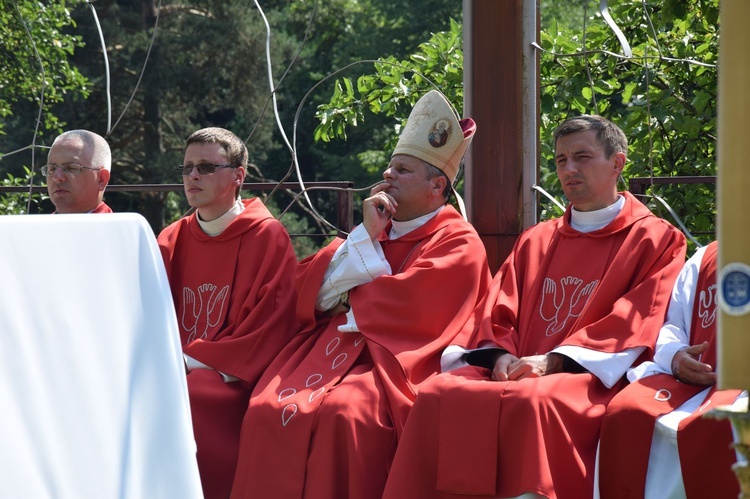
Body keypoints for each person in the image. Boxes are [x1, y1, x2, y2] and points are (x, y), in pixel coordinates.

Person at [382, 114, 687, 499]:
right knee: (439, 393)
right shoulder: (537, 238)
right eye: (561, 160)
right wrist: (500, 356)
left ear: (618, 163)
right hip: (518, 368)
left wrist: (552, 361)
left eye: (582, 157)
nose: (569, 169)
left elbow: (638, 317)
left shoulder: (655, 238)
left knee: (534, 401)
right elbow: (499, 305)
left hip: (590, 377)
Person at [229, 90, 492, 499]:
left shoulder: (458, 240)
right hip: (336, 349)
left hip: (396, 361)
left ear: (437, 185)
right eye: (389, 168)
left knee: (345, 415)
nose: (387, 176)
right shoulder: (377, 227)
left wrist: (352, 290)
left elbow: (416, 308)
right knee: (267, 407)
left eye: (401, 170)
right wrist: (366, 235)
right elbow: (313, 289)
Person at [157, 127, 299, 499]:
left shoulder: (267, 236)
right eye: (187, 167)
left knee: (190, 395)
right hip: (175, 364)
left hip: (235, 376)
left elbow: (270, 324)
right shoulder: (170, 238)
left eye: (205, 166)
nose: (192, 176)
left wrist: (188, 361)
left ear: (238, 175)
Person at [598, 241, 745, 499]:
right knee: (626, 411)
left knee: (725, 423)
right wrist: (676, 356)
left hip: (741, 385)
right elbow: (673, 326)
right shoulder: (706, 257)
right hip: (695, 381)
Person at [42, 129, 112, 213]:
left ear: (101, 179)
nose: (57, 177)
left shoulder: (119, 226)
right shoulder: (34, 226)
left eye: (71, 168)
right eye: (52, 169)